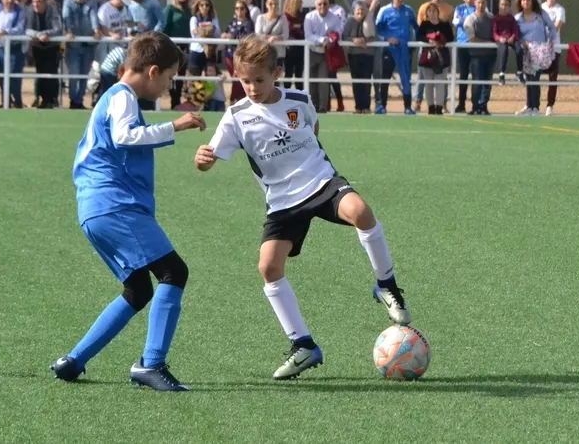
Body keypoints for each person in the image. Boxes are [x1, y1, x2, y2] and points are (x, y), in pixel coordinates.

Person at [193, 35, 412, 380]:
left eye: (259, 80)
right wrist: (202, 160)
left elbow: (313, 127)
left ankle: (386, 285)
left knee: (361, 212)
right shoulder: (235, 117)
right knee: (268, 266)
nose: (252, 87)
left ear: (276, 73)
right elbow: (209, 159)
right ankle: (303, 345)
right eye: (245, 81)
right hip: (282, 201)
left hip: (321, 183)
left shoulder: (299, 100)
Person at [50, 32, 207, 392]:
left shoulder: (115, 97)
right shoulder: (122, 96)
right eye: (169, 77)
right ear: (152, 72)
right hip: (114, 205)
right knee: (174, 272)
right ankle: (151, 364)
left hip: (95, 209)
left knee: (138, 289)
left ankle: (74, 361)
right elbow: (125, 136)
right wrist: (175, 125)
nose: (169, 86)